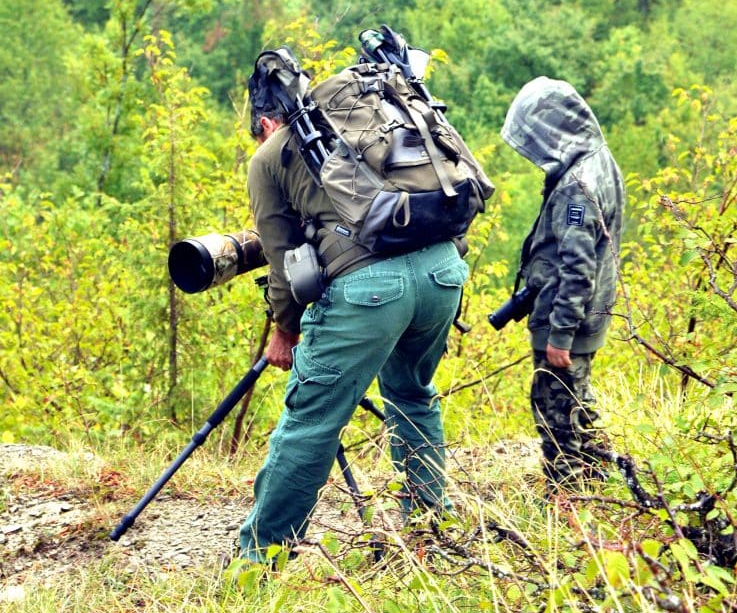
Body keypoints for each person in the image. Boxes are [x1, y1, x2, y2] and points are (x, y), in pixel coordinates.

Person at [237, 49, 470, 564]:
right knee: (412, 396)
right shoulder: (361, 126)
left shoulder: (269, 153)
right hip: (442, 271)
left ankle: (260, 561)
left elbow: (281, 260)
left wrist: (285, 330)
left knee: (312, 422)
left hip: (371, 291)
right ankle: (432, 529)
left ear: (265, 121)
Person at [500, 76, 625, 492]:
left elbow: (578, 267)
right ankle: (603, 480)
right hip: (581, 315)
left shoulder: (576, 186)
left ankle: (568, 500)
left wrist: (560, 334)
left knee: (556, 415)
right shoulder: (598, 159)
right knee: (578, 403)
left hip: (566, 319)